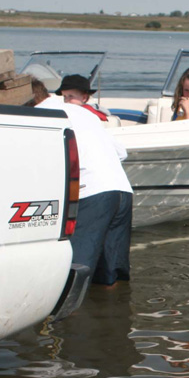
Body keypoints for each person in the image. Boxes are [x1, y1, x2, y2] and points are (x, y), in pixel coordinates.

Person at [31, 77, 133, 287]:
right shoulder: (82, 112)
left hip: (94, 195)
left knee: (76, 271)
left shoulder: (42, 111)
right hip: (122, 191)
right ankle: (115, 313)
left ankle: (71, 317)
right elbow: (121, 152)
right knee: (110, 276)